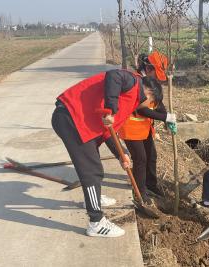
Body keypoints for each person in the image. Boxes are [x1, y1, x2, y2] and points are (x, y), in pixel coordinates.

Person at [52, 68, 162, 237]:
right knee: (92, 170)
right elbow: (113, 75)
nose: (148, 107)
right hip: (71, 117)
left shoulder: (129, 101)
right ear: (149, 94)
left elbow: (108, 130)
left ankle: (94, 198)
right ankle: (96, 222)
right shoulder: (134, 82)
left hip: (78, 122)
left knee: (92, 161)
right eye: (151, 103)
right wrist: (111, 109)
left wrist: (121, 154)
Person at [118, 51, 176, 202]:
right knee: (140, 159)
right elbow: (141, 109)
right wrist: (165, 117)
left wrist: (167, 119)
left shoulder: (150, 83)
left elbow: (158, 103)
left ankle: (151, 184)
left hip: (144, 127)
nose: (158, 79)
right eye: (156, 75)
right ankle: (140, 191)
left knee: (151, 156)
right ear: (149, 68)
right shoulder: (136, 82)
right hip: (130, 127)